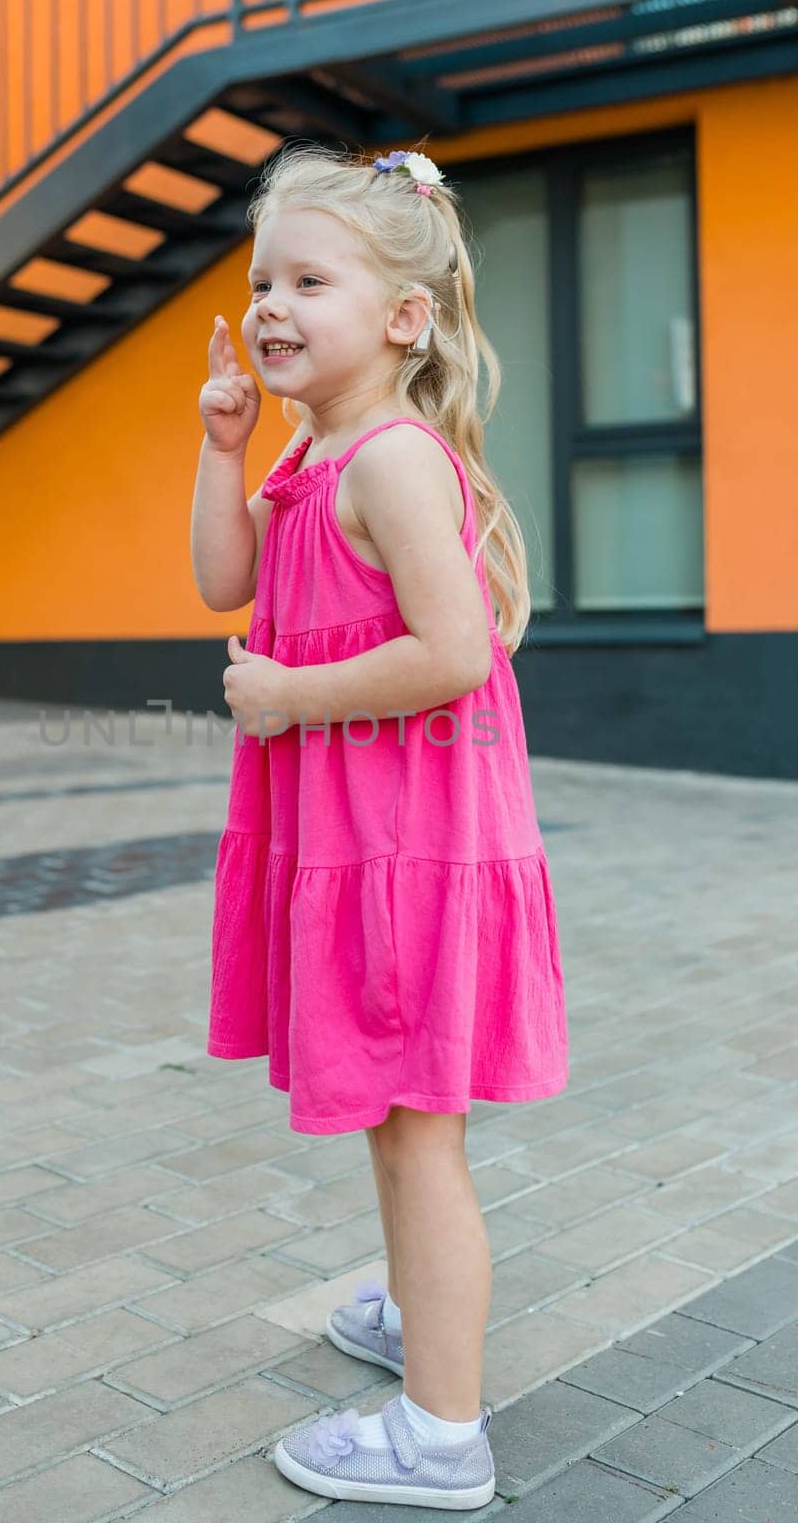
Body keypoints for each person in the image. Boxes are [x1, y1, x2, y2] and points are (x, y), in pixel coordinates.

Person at [190, 139, 568, 1510]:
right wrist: (224, 450)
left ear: (404, 317)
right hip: (357, 844)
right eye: (261, 279)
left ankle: (439, 1435)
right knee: (395, 1109)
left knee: (418, 1128)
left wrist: (290, 695)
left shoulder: (395, 460)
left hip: (404, 849)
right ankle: (425, 1314)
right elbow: (218, 578)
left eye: (308, 279)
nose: (273, 304)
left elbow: (456, 651)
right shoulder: (310, 454)